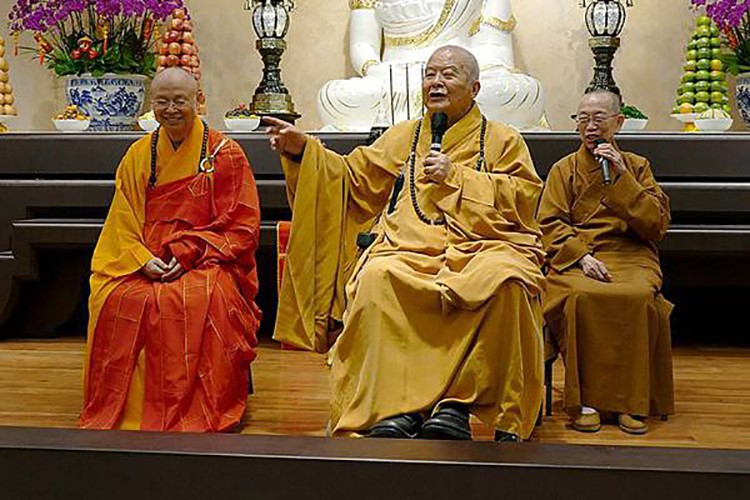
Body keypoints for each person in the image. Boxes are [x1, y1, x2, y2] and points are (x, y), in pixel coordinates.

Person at [267, 45, 545, 441]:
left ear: (475, 88)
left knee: (507, 284)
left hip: (484, 248)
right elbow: (352, 178)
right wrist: (304, 151)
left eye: (448, 74)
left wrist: (459, 177)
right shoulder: (405, 136)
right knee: (376, 279)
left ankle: (455, 406)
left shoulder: (503, 139)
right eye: (430, 74)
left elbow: (524, 198)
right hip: (407, 247)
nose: (436, 82)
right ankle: (397, 408)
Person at [79, 68, 262, 432]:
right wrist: (141, 259)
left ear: (198, 100)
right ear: (152, 105)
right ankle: (126, 407)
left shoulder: (225, 154)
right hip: (146, 255)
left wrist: (191, 249)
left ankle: (199, 404)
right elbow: (122, 219)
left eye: (180, 101)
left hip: (207, 256)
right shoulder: (139, 154)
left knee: (203, 298)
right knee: (116, 298)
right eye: (162, 101)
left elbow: (241, 226)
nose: (171, 109)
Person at [537, 89, 674, 435]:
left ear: (618, 122)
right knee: (580, 298)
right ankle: (586, 402)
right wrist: (581, 256)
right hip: (578, 257)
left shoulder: (637, 166)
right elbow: (549, 224)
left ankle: (631, 402)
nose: (590, 126)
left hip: (631, 255)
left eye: (599, 118)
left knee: (639, 297)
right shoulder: (563, 170)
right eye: (582, 119)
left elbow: (655, 225)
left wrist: (623, 178)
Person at [318, 0, 545, 131]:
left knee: (525, 92)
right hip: (393, 79)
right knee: (333, 96)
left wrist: (457, 78)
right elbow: (362, 45)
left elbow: (494, 48)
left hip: (461, 79)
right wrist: (378, 70)